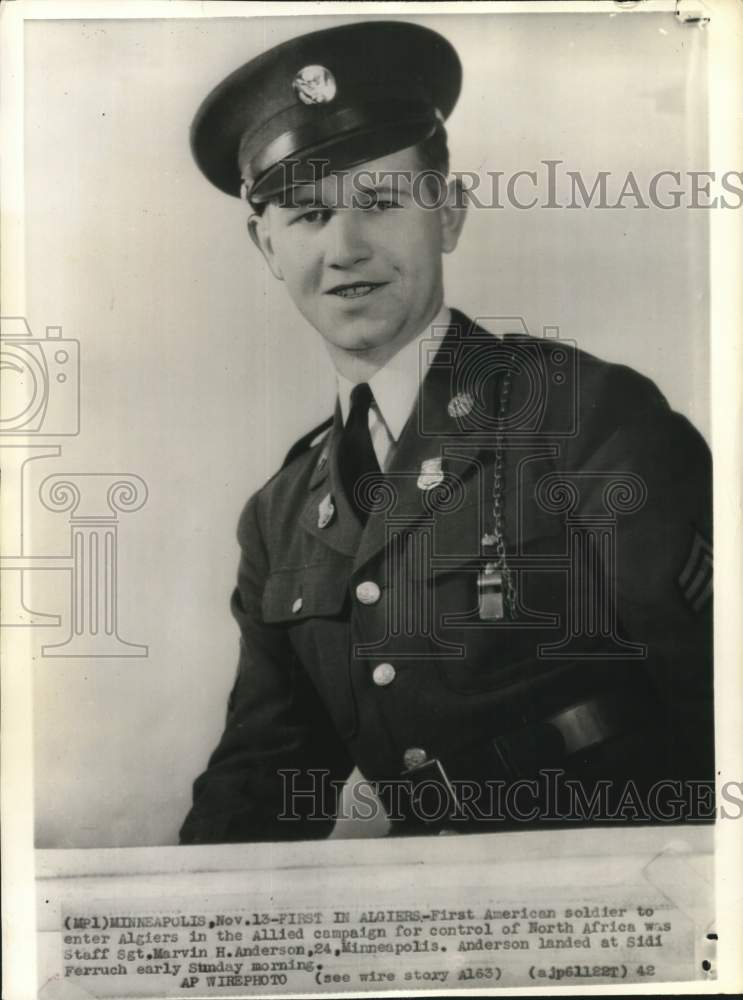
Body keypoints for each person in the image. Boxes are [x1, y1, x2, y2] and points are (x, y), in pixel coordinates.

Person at [180, 20, 713, 844]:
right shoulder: (280, 516)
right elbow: (258, 780)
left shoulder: (581, 416)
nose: (345, 248)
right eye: (308, 216)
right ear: (266, 248)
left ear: (450, 215)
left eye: (381, 203)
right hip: (428, 921)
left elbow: (720, 697)